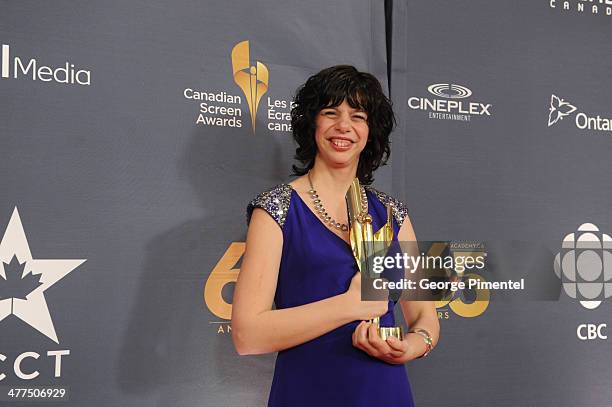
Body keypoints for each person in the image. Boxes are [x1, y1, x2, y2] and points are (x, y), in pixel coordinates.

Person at [231, 65, 440, 406]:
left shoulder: (394, 213)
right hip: (308, 391)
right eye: (331, 113)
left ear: (371, 132)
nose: (344, 125)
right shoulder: (276, 209)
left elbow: (424, 316)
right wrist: (348, 306)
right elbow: (246, 335)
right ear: (312, 124)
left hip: (386, 392)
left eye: (358, 116)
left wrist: (412, 346)